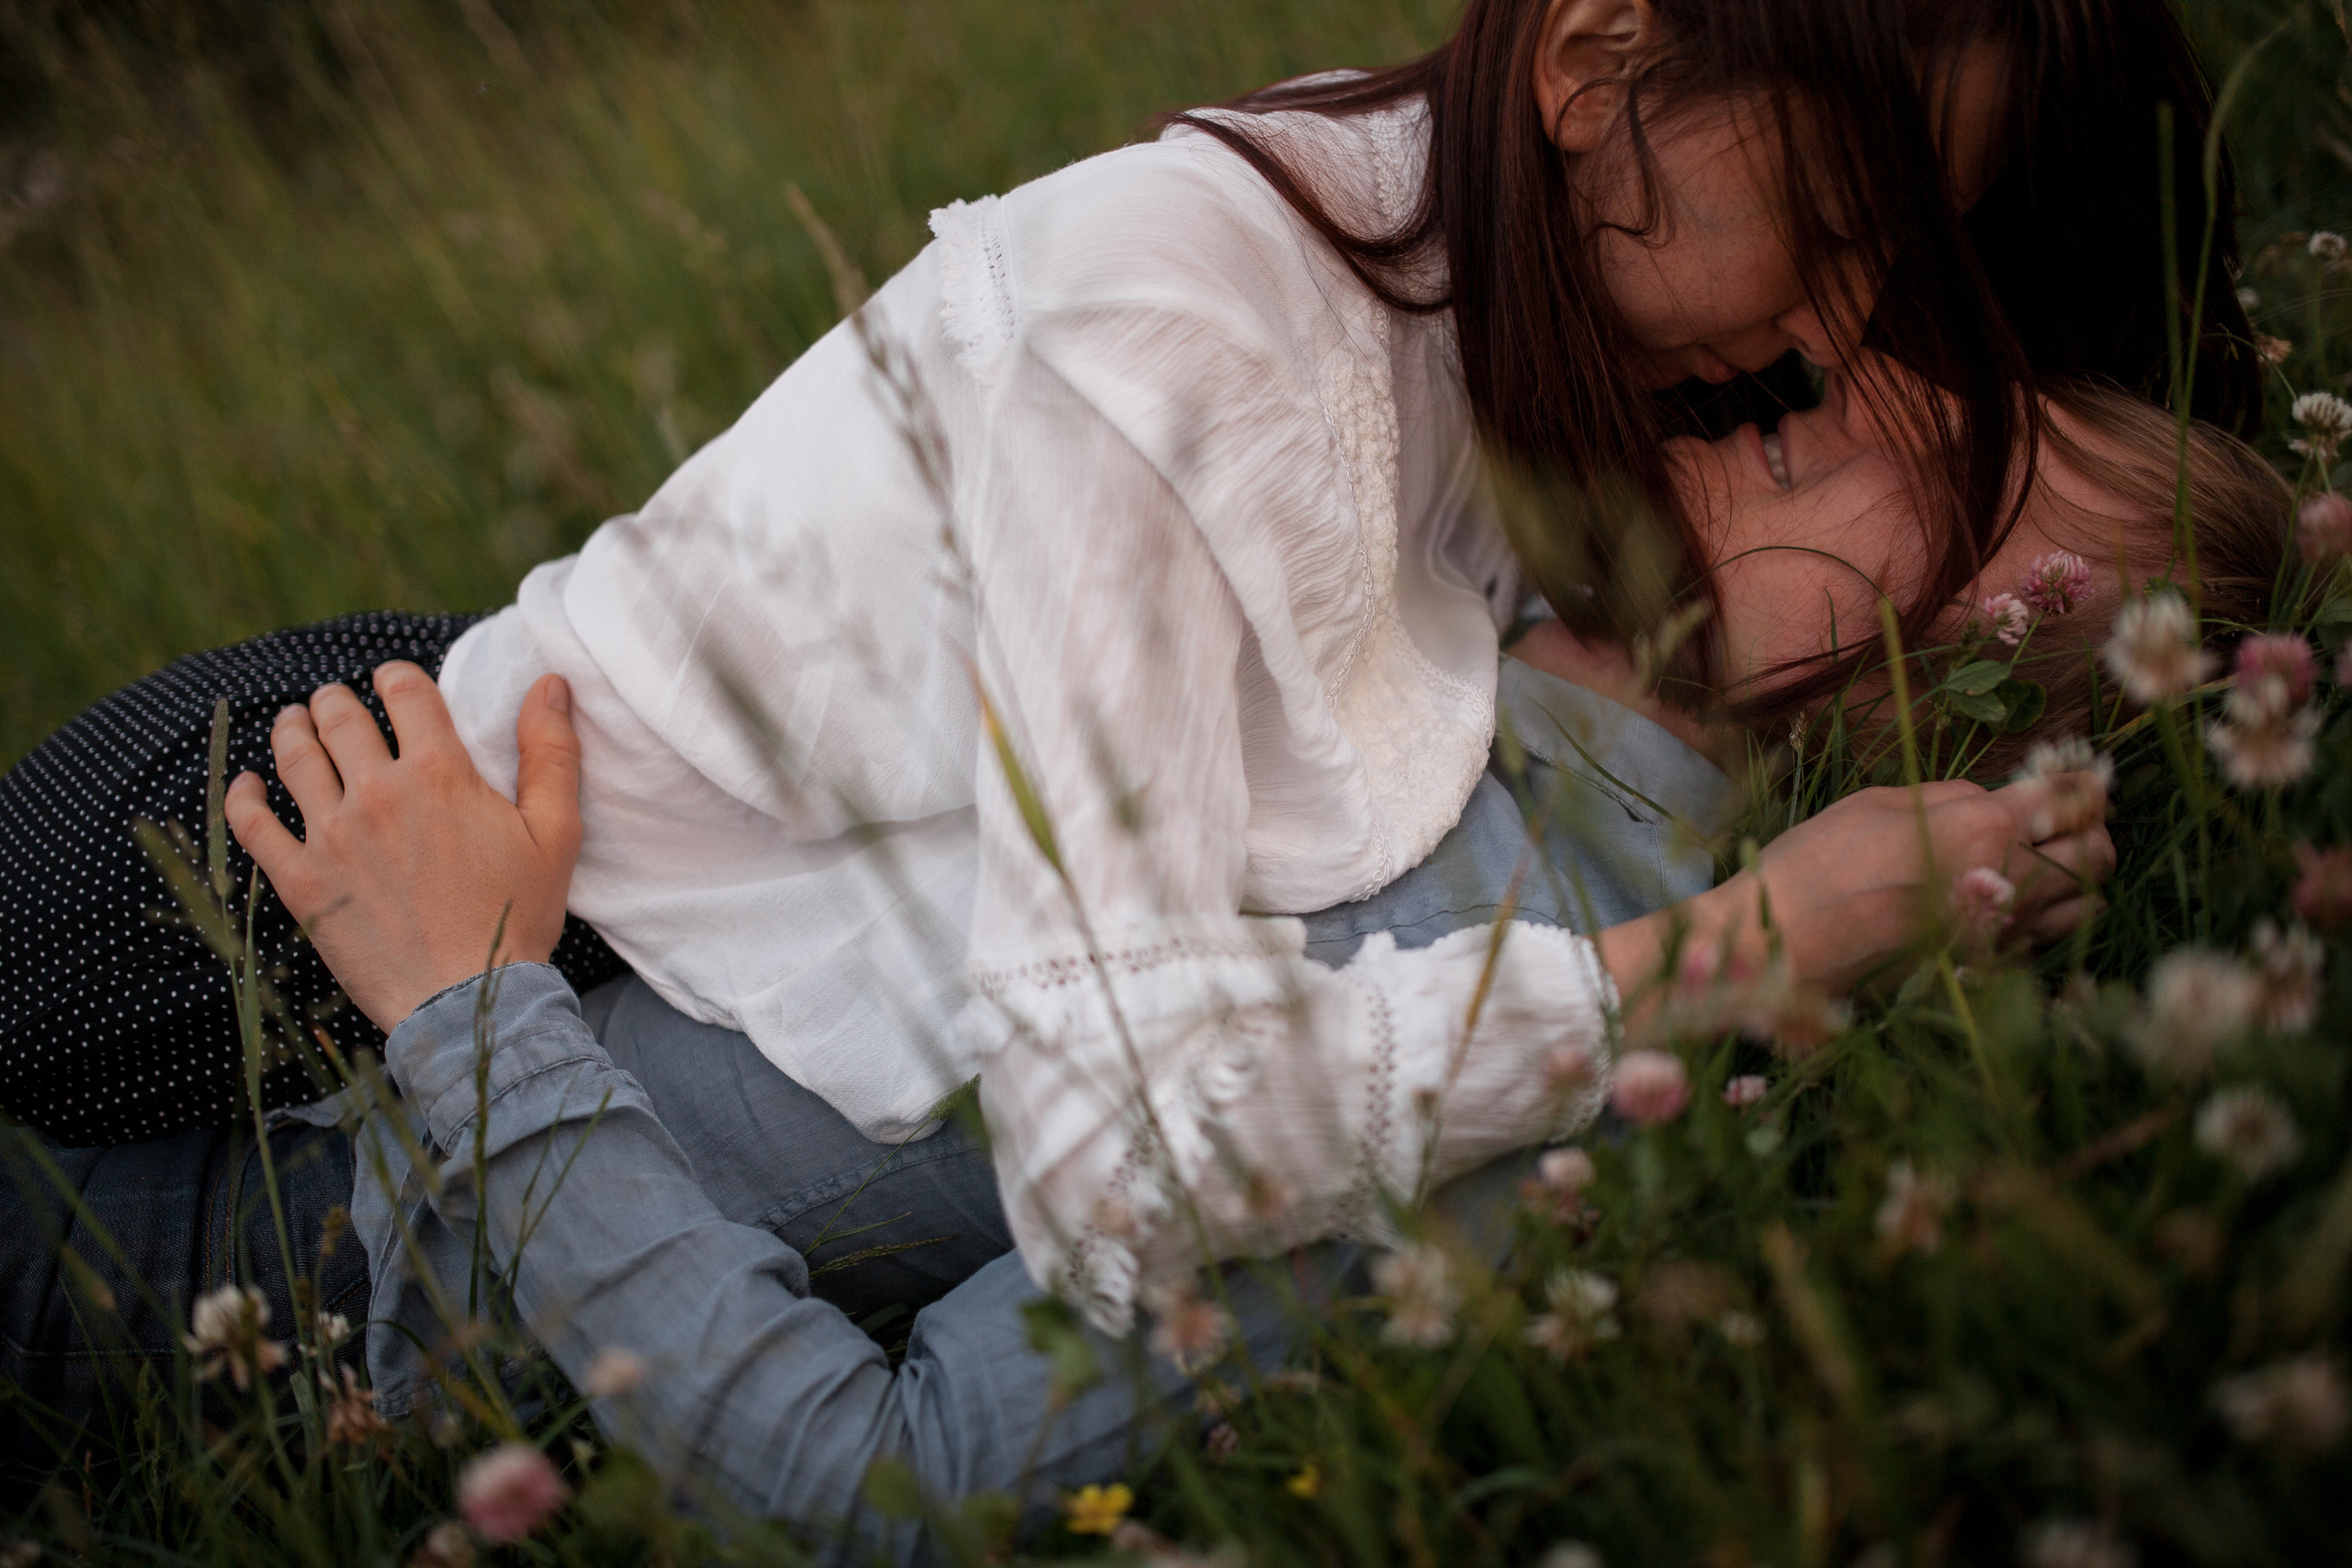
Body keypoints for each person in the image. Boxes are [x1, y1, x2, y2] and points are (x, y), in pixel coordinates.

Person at [0, 372, 2289, 1555]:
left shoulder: (1540, 1015)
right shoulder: (1424, 527)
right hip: (238, 964)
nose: (1853, 370)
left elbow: (872, 1486)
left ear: (1968, 656)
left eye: (1947, 453)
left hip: (259, 1261)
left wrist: (469, 1013)